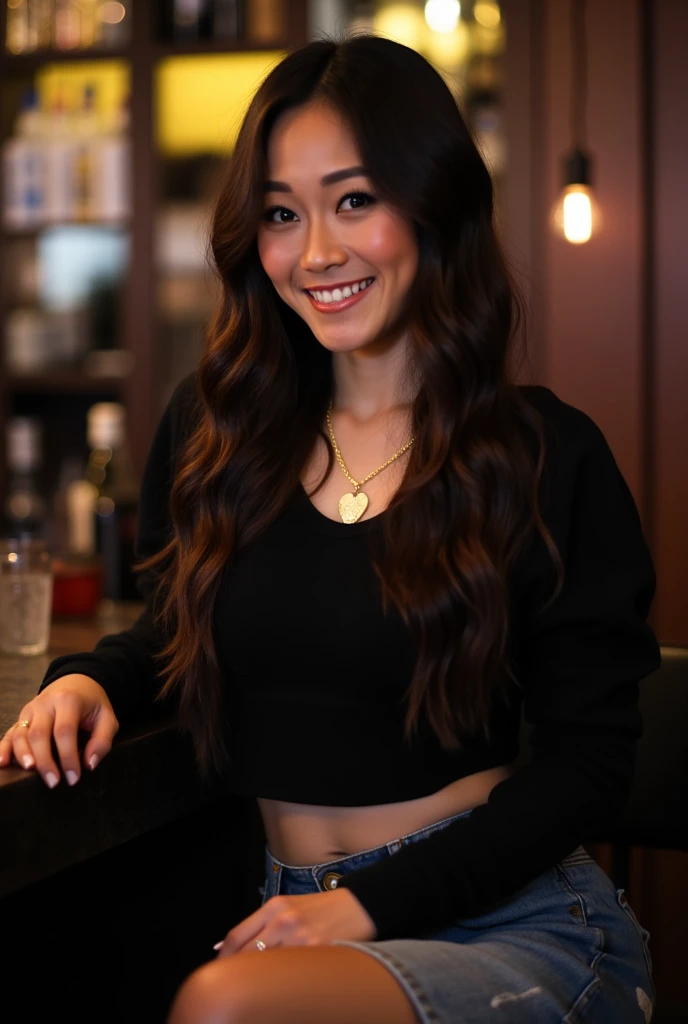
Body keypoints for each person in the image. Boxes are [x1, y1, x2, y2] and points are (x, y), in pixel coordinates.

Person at [0, 33, 660, 1024]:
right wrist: (89, 678)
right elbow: (178, 628)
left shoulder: (542, 452)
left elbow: (589, 766)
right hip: (289, 915)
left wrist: (370, 904)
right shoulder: (216, 430)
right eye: (280, 213)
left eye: (354, 200)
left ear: (431, 203)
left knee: (225, 1010)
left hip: (511, 921)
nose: (315, 252)